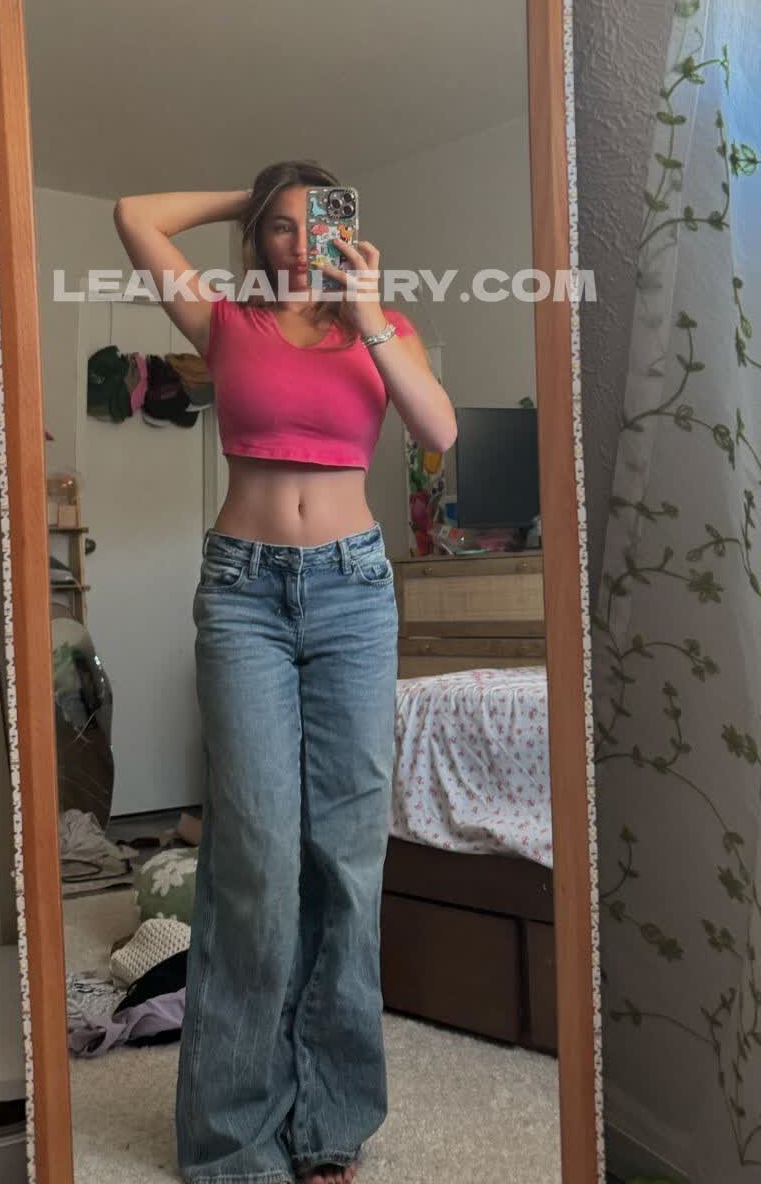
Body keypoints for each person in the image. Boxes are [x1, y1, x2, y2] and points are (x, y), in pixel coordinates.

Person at [113, 161, 458, 1184]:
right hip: (244, 595)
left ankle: (329, 1123)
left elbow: (438, 431)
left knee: (347, 858)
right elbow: (135, 214)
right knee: (255, 858)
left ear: (352, 232)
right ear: (256, 239)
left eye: (319, 222)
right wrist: (256, 188)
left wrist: (370, 312)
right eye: (279, 227)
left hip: (354, 594)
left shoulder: (383, 328)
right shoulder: (225, 321)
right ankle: (231, 1143)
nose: (299, 241)